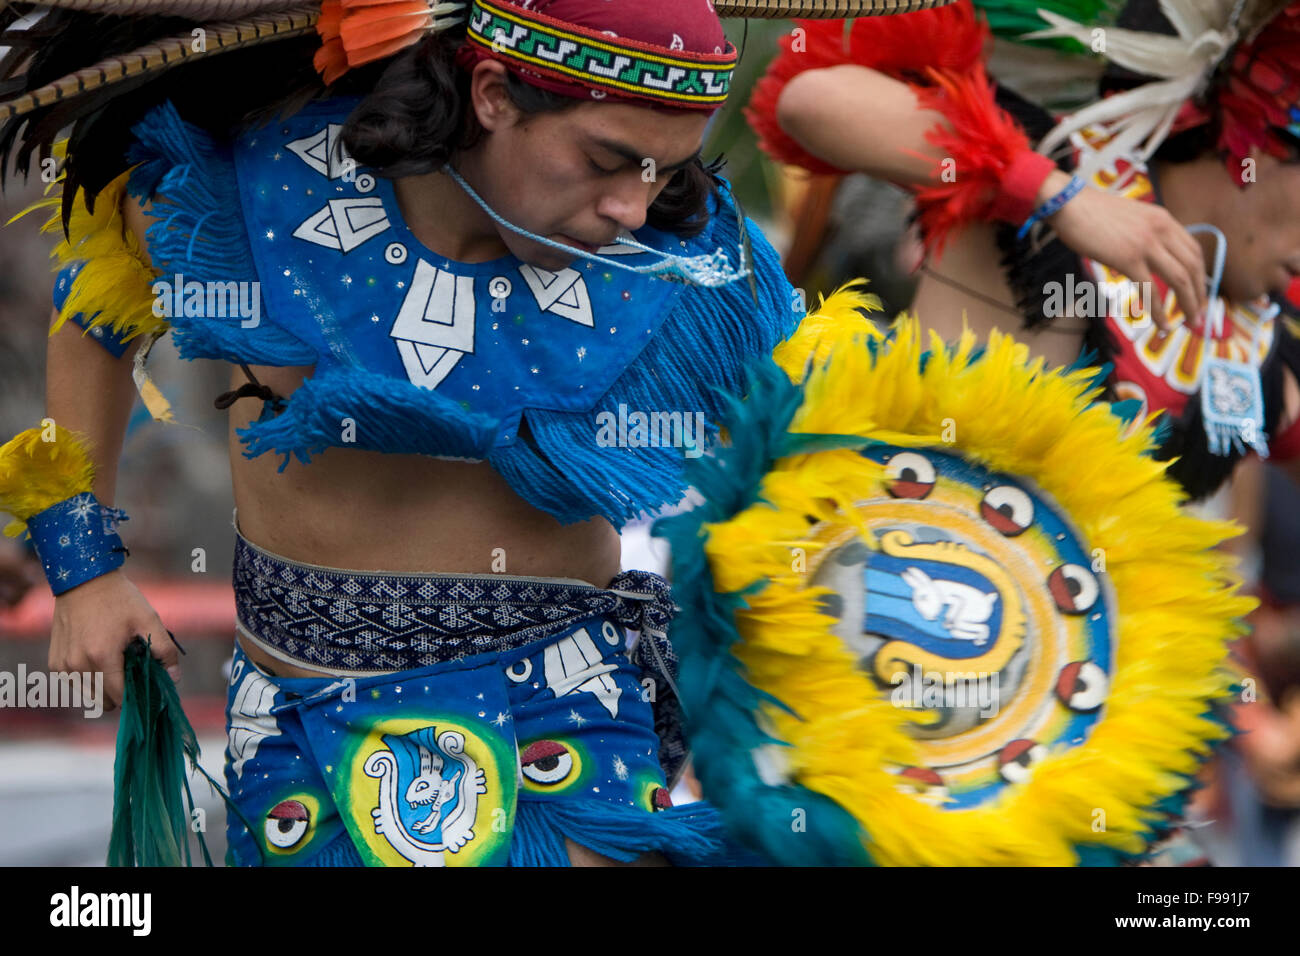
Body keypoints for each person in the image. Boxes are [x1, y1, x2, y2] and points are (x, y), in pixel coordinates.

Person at [0, 0, 955, 866]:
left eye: (662, 168)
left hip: (567, 717)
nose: (632, 206)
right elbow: (98, 316)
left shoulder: (688, 264)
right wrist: (82, 569)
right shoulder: (251, 187)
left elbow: (817, 437)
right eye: (605, 160)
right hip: (292, 729)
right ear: (493, 94)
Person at [745, 0, 1300, 500]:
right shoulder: (1051, 156)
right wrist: (1058, 196)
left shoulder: (1270, 355)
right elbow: (811, 101)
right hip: (880, 567)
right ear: (1261, 139)